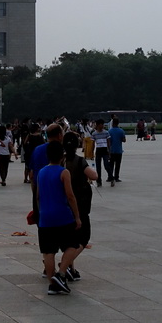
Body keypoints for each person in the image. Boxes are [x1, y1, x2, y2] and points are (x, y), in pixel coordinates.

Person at [37, 140, 81, 295]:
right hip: (62, 216)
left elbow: (38, 196)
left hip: (45, 218)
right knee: (72, 245)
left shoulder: (41, 172)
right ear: (62, 156)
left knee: (48, 252)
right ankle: (61, 273)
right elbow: (70, 195)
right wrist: (77, 216)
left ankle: (52, 284)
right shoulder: (64, 172)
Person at [62, 131, 98, 282]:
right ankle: (64, 265)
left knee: (71, 239)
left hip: (64, 205)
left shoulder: (61, 161)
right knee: (83, 238)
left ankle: (72, 268)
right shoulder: (79, 161)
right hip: (80, 205)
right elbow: (94, 175)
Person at [90, 120, 111, 187]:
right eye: (102, 124)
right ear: (98, 125)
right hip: (98, 150)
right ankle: (99, 181)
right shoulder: (94, 134)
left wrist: (109, 151)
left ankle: (111, 177)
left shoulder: (106, 133)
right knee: (98, 167)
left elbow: (108, 143)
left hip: (105, 150)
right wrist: (92, 153)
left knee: (106, 165)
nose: (103, 126)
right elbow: (93, 144)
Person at [108, 118, 126, 185]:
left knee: (111, 165)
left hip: (112, 150)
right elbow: (124, 140)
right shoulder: (121, 131)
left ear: (112, 123)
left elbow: (108, 141)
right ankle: (116, 177)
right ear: (118, 123)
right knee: (117, 165)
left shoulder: (109, 131)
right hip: (119, 150)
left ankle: (110, 177)